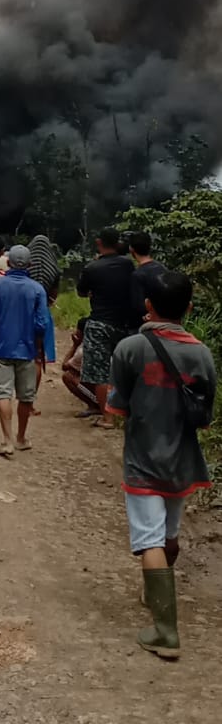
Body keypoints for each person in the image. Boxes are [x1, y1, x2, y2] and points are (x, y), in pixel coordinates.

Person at [106, 270, 216, 660]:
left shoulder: (131, 348)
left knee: (148, 540)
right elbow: (204, 416)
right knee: (167, 535)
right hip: (183, 461)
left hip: (144, 459)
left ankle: (165, 631)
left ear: (148, 305)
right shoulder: (202, 353)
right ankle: (155, 592)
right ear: (189, 307)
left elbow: (116, 406)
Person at [0, 244, 47, 457]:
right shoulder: (37, 289)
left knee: (2, 394)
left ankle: (7, 440)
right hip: (27, 350)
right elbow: (41, 323)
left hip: (1, 348)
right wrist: (38, 346)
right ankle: (21, 438)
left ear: (8, 263)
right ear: (29, 265)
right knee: (26, 396)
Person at [77, 227, 135, 428]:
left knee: (99, 372)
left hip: (99, 323)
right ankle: (127, 413)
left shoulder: (92, 268)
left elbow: (82, 292)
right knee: (123, 370)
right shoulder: (128, 265)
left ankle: (107, 417)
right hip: (123, 323)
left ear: (99, 242)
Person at [28, 234, 60, 394]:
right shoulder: (53, 267)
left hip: (23, 313)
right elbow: (54, 295)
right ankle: (30, 399)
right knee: (37, 358)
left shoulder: (26, 265)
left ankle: (19, 395)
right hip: (42, 312)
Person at [128, 231, 166, 332]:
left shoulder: (137, 275)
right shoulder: (162, 268)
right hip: (162, 322)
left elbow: (138, 306)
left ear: (131, 249)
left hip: (143, 326)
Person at [60, 317, 97, 412]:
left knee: (68, 376)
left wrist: (74, 345)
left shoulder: (82, 350)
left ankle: (95, 404)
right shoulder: (97, 344)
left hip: (99, 388)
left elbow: (64, 366)